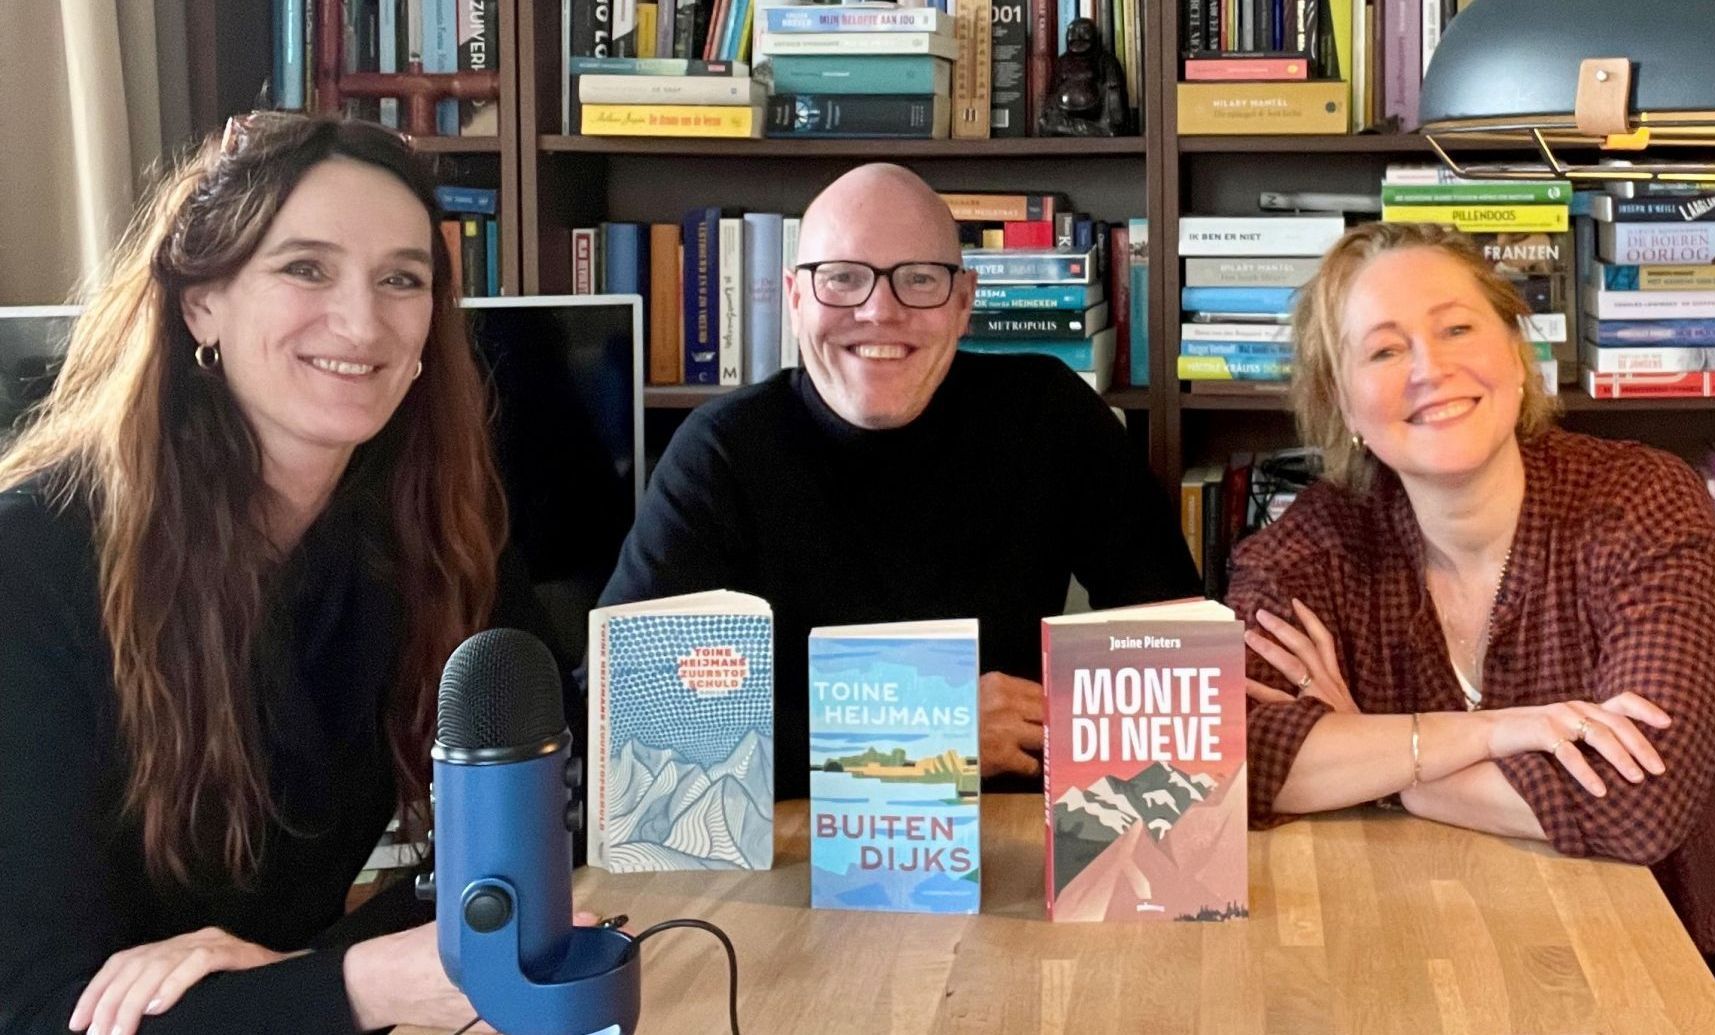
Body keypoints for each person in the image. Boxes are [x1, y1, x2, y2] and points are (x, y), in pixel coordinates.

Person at [0, 113, 587, 1035]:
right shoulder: (27, 567)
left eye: (402, 278)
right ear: (201, 302)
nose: (361, 321)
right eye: (305, 267)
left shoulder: (434, 537)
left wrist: (299, 974)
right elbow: (39, 1010)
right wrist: (363, 981)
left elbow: (552, 817)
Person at [1225, 220, 1715, 1029]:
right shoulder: (1316, 544)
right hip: (1447, 942)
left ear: (1516, 354)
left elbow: (1638, 806)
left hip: (1712, 933)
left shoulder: (1641, 503)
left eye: (1456, 328)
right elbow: (1228, 760)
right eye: (1382, 351)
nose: (1429, 368)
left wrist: (1368, 748)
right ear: (1342, 402)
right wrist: (1496, 733)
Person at [599, 163, 1200, 798]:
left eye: (918, 279)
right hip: (792, 858)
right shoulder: (719, 453)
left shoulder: (1051, 416)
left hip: (1015, 846)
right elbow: (622, 723)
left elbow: (1178, 658)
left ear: (964, 302)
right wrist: (924, 741)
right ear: (795, 299)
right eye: (842, 279)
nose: (879, 311)